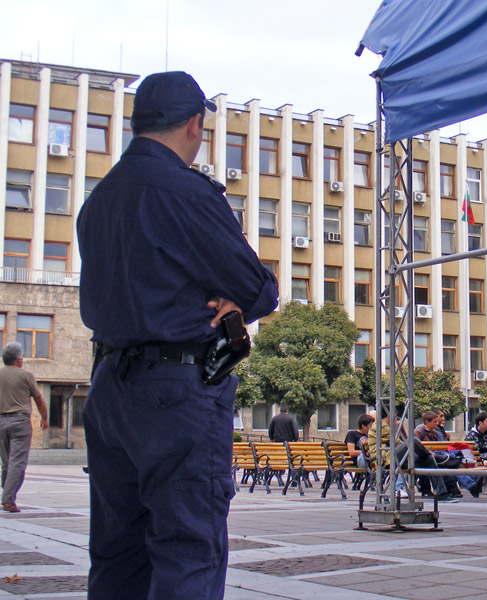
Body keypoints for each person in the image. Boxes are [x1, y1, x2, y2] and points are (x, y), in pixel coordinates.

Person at [77, 72, 279, 600]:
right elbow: (258, 289)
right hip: (175, 392)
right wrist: (239, 298)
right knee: (188, 548)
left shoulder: (100, 198)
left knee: (118, 554)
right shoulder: (185, 192)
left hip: (109, 388)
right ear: (194, 124)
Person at [0, 342, 48, 513]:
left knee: (6, 462)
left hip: (1, 422)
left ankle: (7, 491)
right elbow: (39, 399)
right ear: (19, 360)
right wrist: (44, 418)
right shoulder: (26, 375)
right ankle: (8, 499)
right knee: (17, 462)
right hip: (20, 422)